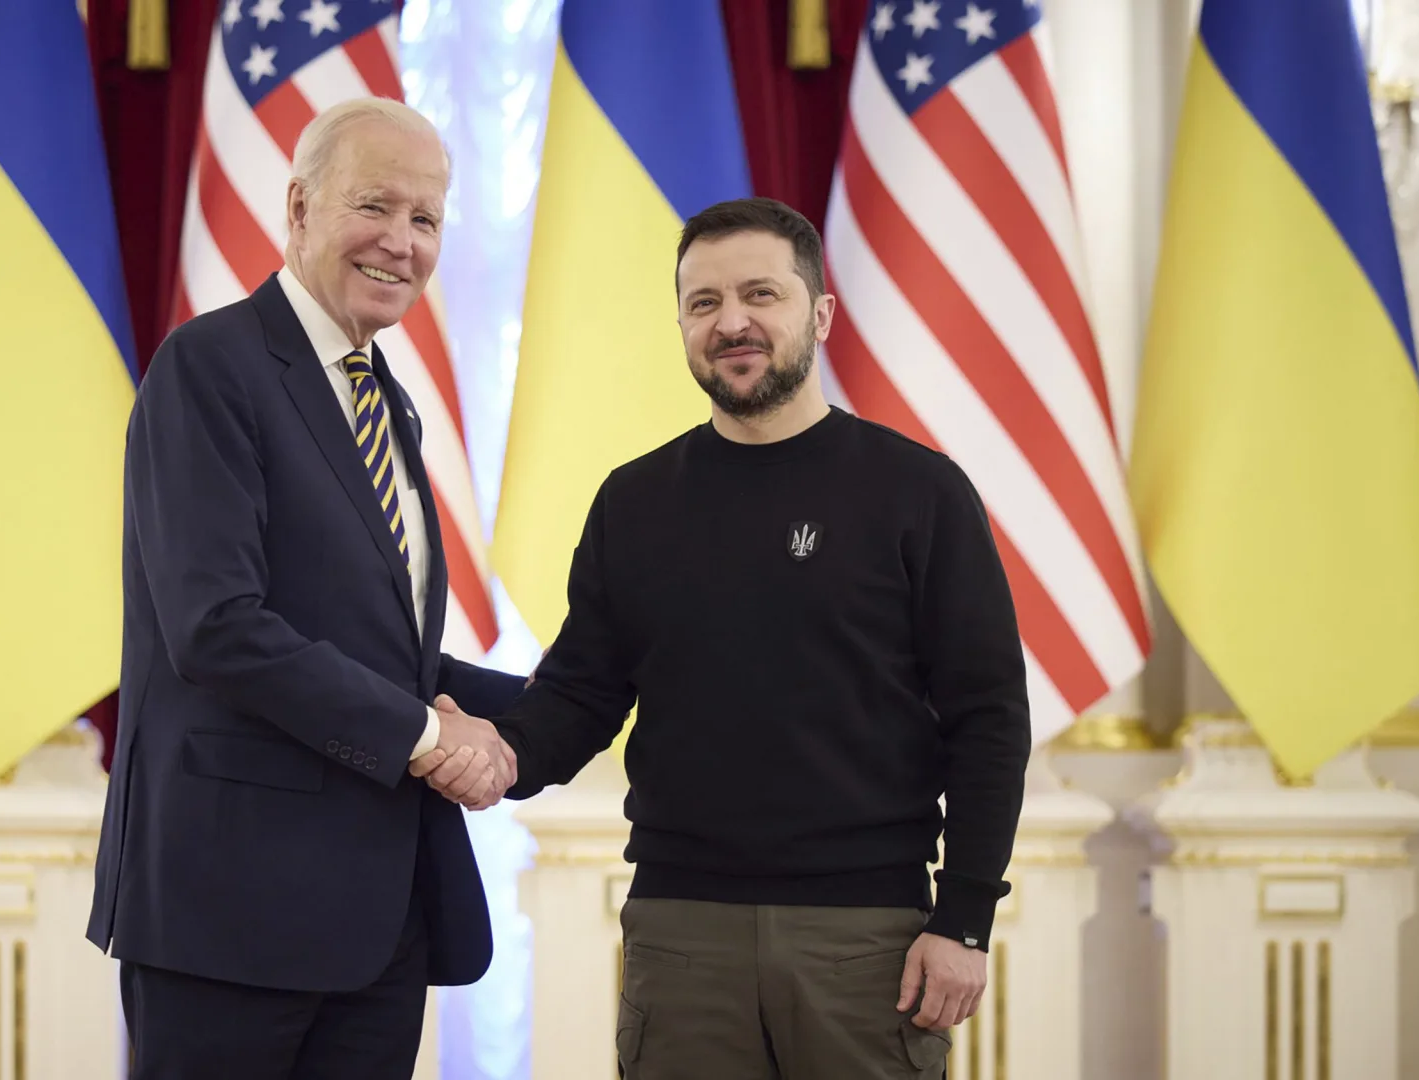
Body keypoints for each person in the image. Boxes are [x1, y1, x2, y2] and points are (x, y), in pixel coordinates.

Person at [420, 196, 1032, 1079]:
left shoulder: (919, 493)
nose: (731, 322)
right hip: (680, 933)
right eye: (704, 303)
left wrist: (964, 917)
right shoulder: (634, 504)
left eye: (760, 295)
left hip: (868, 940)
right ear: (681, 323)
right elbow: (583, 694)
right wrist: (498, 755)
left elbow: (989, 719)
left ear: (818, 312)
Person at [86, 97, 525, 1079]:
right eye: (377, 206)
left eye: (427, 220)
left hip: (378, 921)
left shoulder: (389, 404)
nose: (403, 243)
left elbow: (389, 655)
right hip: (229, 914)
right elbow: (220, 628)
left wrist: (586, 697)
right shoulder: (210, 367)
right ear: (298, 205)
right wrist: (427, 738)